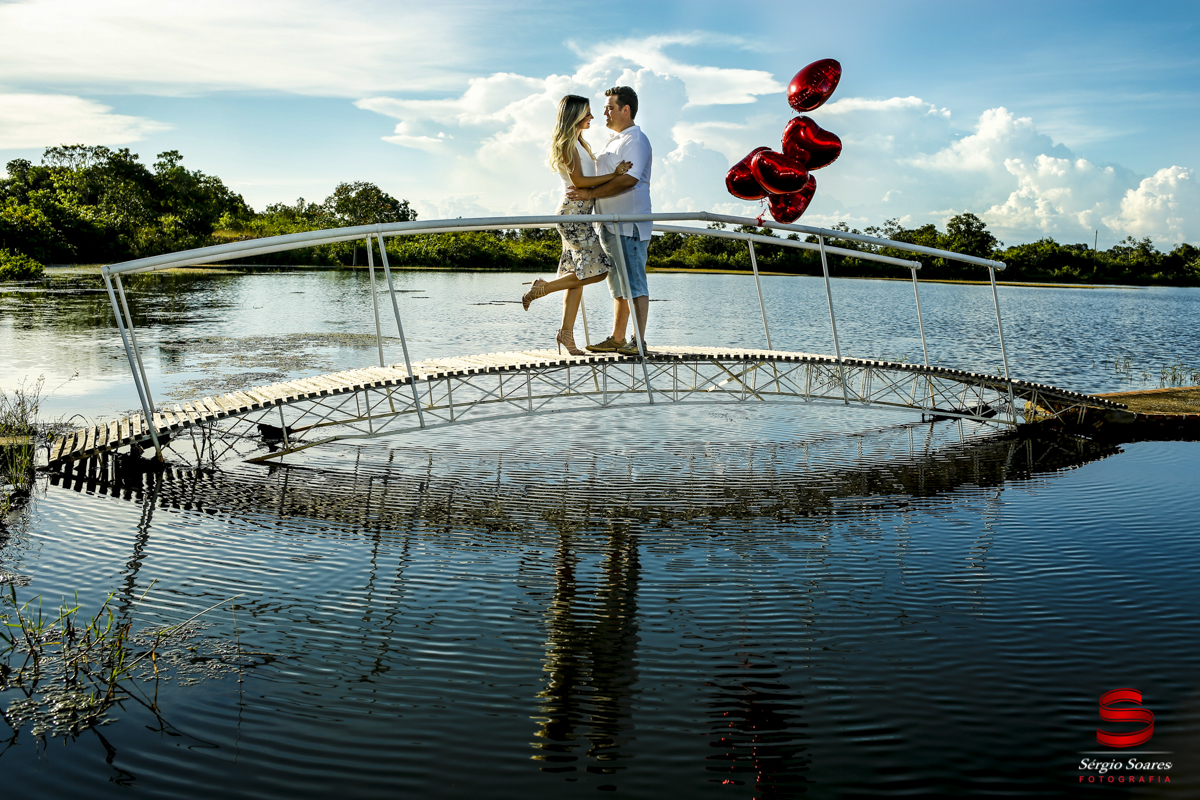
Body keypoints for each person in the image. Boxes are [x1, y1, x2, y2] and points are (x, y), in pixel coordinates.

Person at [522, 95, 631, 356]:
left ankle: (566, 335)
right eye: (587, 114)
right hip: (573, 214)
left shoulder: (579, 142)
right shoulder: (569, 144)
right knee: (599, 271)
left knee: (577, 278)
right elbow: (580, 181)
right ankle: (543, 288)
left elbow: (584, 181)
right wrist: (616, 175)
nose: (592, 118)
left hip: (579, 213)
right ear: (575, 116)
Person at [566, 86, 652, 357]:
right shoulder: (614, 140)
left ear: (626, 110)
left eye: (610, 107)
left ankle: (638, 342)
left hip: (628, 225)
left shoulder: (635, 140)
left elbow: (629, 180)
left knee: (634, 283)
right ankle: (618, 338)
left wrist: (590, 193)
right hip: (609, 224)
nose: (605, 111)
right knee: (617, 284)